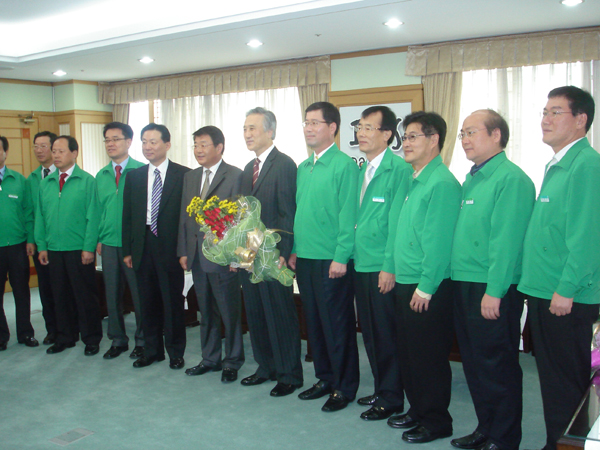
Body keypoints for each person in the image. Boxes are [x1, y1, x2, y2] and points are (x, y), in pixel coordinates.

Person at [518, 86, 600, 450]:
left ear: (581, 120)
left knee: (566, 382)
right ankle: (556, 442)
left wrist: (567, 289)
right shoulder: (559, 164)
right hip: (545, 289)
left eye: (556, 112)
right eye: (544, 112)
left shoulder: (587, 165)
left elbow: (587, 237)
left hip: (566, 296)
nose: (545, 120)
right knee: (552, 380)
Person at [451, 110, 535, 450]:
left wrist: (495, 291)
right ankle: (486, 428)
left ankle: (504, 438)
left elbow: (506, 243)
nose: (465, 140)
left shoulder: (511, 179)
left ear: (497, 135)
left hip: (492, 287)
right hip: (465, 283)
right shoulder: (472, 178)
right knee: (475, 364)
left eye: (472, 132)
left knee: (497, 365)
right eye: (462, 134)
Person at [383, 112, 461, 443]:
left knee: (428, 357)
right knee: (410, 353)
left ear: (434, 140)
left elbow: (439, 243)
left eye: (414, 136)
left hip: (426, 286)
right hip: (407, 281)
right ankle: (418, 410)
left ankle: (436, 421)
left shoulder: (441, 183)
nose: (406, 143)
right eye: (406, 137)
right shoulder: (415, 180)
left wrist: (426, 288)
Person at [288, 101, 359, 412]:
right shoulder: (304, 167)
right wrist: (294, 249)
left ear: (332, 127)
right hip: (305, 258)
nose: (309, 128)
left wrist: (341, 256)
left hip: (332, 260)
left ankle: (344, 386)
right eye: (306, 122)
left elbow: (349, 215)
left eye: (315, 122)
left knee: (337, 325)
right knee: (315, 323)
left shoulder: (344, 166)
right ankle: (325, 378)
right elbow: (301, 213)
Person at [238, 107, 303, 396]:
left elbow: (288, 213)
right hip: (250, 255)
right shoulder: (247, 169)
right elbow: (243, 218)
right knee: (256, 314)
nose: (247, 134)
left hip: (274, 255)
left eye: (252, 128)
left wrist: (283, 253)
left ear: (271, 131)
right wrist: (240, 255)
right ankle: (266, 367)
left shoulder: (285, 164)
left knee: (280, 315)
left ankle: (289, 374)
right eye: (245, 129)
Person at [352, 106, 411, 421]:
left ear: (388, 134)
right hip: (362, 263)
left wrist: (389, 266)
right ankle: (381, 388)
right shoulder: (363, 168)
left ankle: (392, 397)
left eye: (368, 128)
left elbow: (396, 223)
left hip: (382, 267)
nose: (361, 133)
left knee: (386, 334)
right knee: (371, 333)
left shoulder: (398, 169)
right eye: (359, 127)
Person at [178, 125, 244, 382]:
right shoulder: (190, 177)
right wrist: (184, 250)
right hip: (197, 257)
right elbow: (185, 218)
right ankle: (210, 359)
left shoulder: (236, 175)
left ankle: (232, 361)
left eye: (203, 145)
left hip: (224, 259)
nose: (198, 150)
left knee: (229, 313)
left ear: (219, 147)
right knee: (205, 311)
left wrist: (237, 257)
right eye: (195, 145)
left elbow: (241, 220)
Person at [122, 123, 190, 370]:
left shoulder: (184, 175)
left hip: (171, 247)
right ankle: (152, 351)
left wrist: (185, 250)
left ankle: (175, 352)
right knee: (146, 301)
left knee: (172, 302)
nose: (147, 147)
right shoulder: (135, 176)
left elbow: (188, 217)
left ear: (167, 144)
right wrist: (127, 250)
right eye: (144, 142)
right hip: (143, 244)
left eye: (153, 142)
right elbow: (127, 216)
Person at [35, 135, 103, 356]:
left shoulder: (87, 181)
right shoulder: (46, 183)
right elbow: (40, 217)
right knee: (59, 296)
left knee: (85, 296)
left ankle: (91, 338)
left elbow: (93, 217)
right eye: (54, 151)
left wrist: (88, 247)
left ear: (74, 153)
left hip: (78, 249)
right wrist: (42, 246)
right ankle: (66, 336)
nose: (55, 155)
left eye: (61, 151)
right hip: (54, 249)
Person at [96, 122, 145, 360]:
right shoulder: (101, 175)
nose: (110, 144)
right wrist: (98, 239)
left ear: (128, 142)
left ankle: (143, 340)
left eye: (115, 139)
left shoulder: (141, 171)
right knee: (112, 294)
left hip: (134, 245)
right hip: (108, 243)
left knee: (139, 295)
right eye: (107, 139)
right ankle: (117, 339)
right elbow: (97, 211)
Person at [0, 135, 38, 351]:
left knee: (22, 291)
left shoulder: (19, 180)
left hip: (17, 245)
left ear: (5, 152)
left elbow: (28, 213)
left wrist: (31, 239)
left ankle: (25, 333)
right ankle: (1, 336)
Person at [27, 131, 58, 345]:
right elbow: (31, 213)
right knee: (46, 288)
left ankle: (72, 326)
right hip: (42, 243)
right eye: (36, 146)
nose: (39, 150)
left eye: (43, 146)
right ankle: (52, 329)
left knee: (66, 288)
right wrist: (33, 240)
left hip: (64, 243)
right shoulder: (31, 178)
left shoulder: (66, 174)